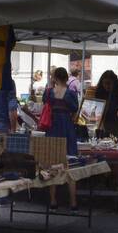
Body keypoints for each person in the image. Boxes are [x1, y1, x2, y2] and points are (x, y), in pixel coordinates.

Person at [42, 67, 79, 211]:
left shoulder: (49, 92)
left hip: (53, 127)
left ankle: (53, 201)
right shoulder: (71, 93)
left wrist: (52, 85)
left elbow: (46, 101)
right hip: (67, 128)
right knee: (70, 165)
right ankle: (73, 202)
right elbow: (75, 108)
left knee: (53, 164)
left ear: (55, 77)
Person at [94, 69, 118, 137]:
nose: (107, 86)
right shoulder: (99, 91)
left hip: (117, 121)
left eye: (109, 83)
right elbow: (98, 108)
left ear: (114, 82)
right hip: (104, 120)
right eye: (104, 83)